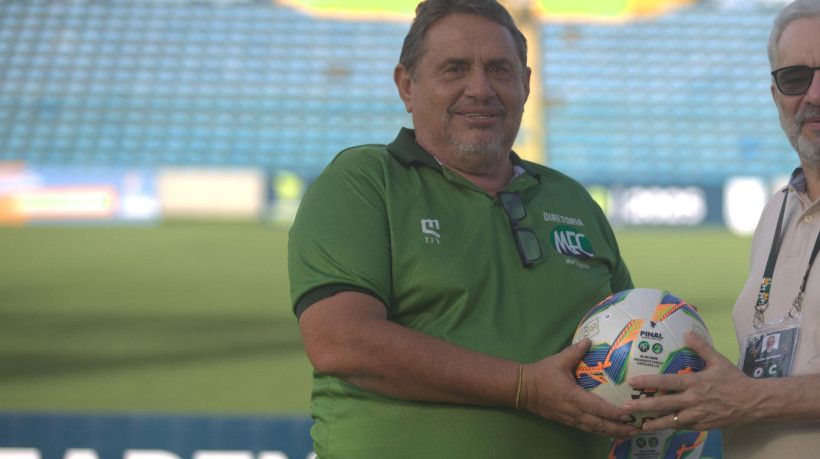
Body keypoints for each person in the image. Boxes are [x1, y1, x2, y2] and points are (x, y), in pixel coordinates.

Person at [288, 0, 638, 456]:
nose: (480, 89)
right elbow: (340, 341)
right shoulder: (364, 181)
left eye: (499, 70)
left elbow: (632, 341)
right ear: (406, 86)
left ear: (526, 85)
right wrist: (523, 387)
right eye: (454, 69)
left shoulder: (571, 200)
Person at [623, 0, 820, 457]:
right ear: (776, 96)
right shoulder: (777, 212)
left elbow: (752, 397)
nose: (813, 95)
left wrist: (751, 399)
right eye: (795, 78)